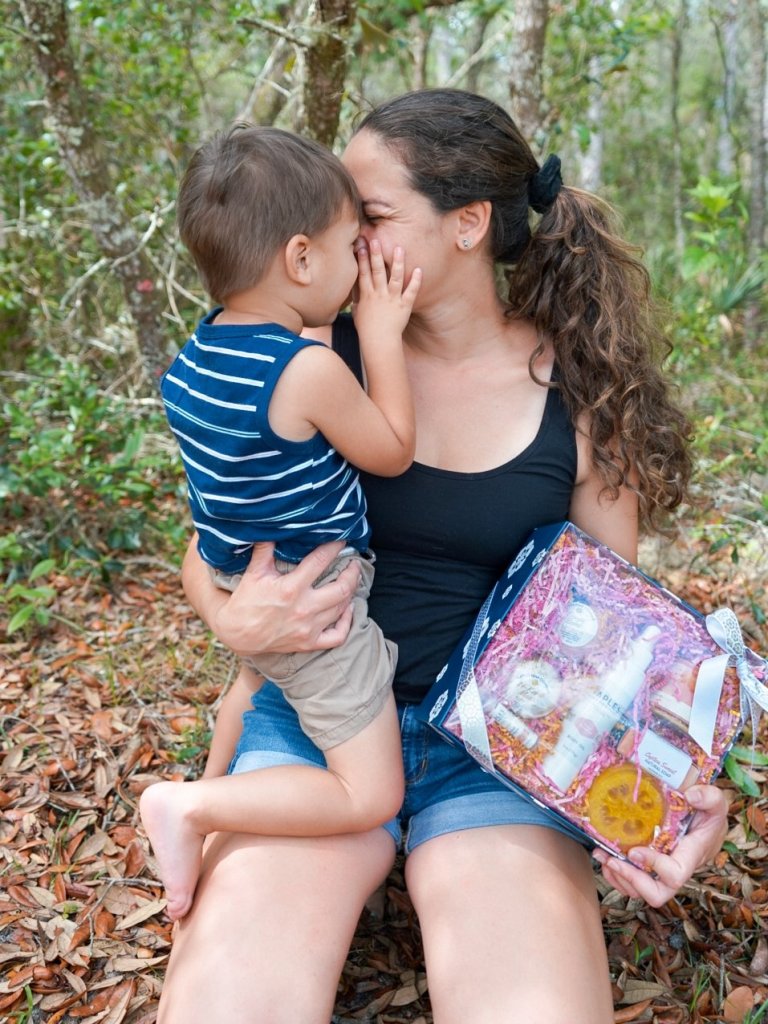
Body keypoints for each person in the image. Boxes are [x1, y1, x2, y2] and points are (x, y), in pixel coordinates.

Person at [155, 90, 730, 1023]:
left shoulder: (579, 393)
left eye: (371, 217)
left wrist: (680, 794)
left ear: (469, 223)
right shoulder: (314, 358)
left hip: (497, 754)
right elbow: (210, 542)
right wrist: (227, 613)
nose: (342, 238)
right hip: (319, 726)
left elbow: (623, 643)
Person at [140, 124, 422, 922]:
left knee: (251, 684)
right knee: (370, 791)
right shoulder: (307, 370)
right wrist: (379, 335)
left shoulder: (191, 362)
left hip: (241, 576)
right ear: (301, 260)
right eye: (346, 246)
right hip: (317, 599)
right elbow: (393, 451)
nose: (358, 258)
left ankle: (200, 807)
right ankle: (190, 808)